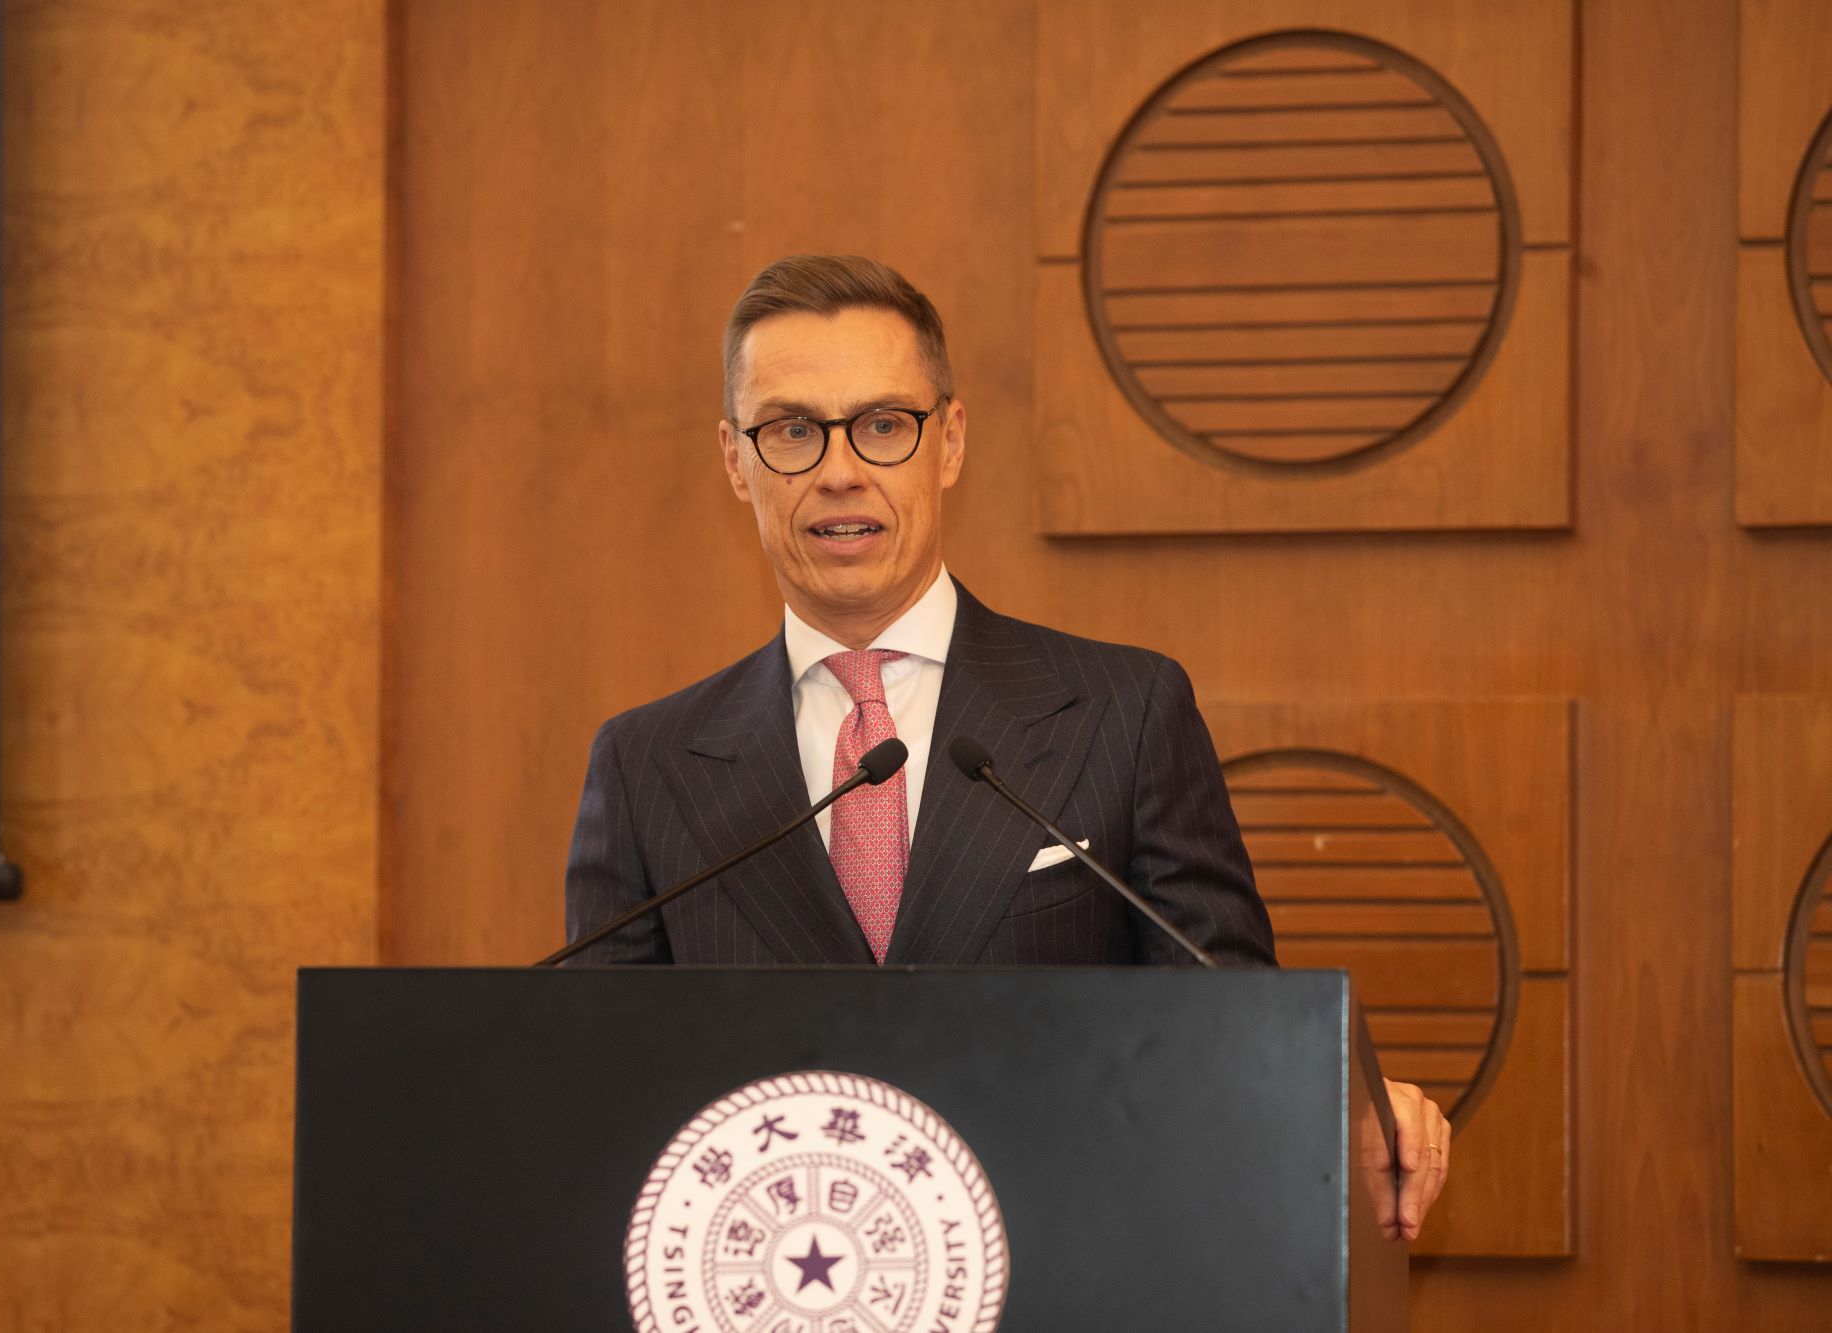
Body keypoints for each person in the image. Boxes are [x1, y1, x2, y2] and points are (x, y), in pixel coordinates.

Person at [563, 253, 1450, 1237]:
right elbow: (593, 1092)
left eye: (883, 425)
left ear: (948, 441)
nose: (839, 471)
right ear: (736, 459)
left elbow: (1231, 1026)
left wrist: (1339, 1104)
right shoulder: (647, 766)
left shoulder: (1124, 713)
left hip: (1062, 1263)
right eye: (792, 431)